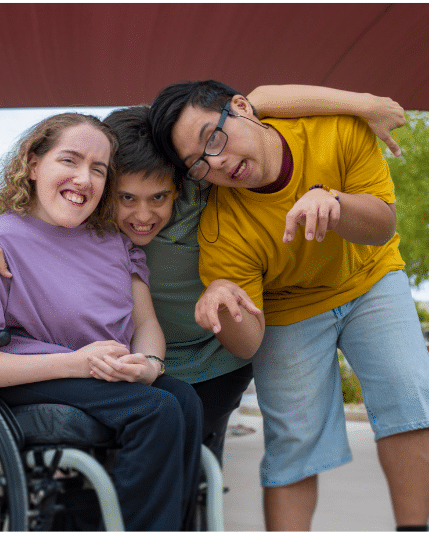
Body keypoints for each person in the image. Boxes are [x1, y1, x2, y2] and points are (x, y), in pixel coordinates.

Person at [0, 85, 407, 465]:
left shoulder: (201, 182)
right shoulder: (90, 212)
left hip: (213, 359)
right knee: (138, 458)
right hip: (134, 360)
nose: (142, 215)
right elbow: (28, 205)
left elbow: (262, 98)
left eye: (158, 197)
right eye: (125, 198)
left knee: (197, 463)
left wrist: (365, 105)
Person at [148, 79, 429, 531]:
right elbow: (248, 343)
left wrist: (334, 201)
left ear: (241, 108)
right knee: (293, 440)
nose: (216, 162)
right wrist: (225, 308)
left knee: (408, 391)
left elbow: (381, 227)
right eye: (199, 164)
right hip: (288, 307)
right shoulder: (222, 227)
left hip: (369, 277)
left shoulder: (335, 131)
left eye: (213, 138)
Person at [0, 112, 203, 531]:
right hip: (32, 375)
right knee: (156, 412)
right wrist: (76, 363)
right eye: (70, 160)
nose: (84, 178)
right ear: (33, 165)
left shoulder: (113, 242)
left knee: (183, 399)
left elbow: (145, 322)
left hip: (100, 375)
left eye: (98, 169)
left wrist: (150, 363)